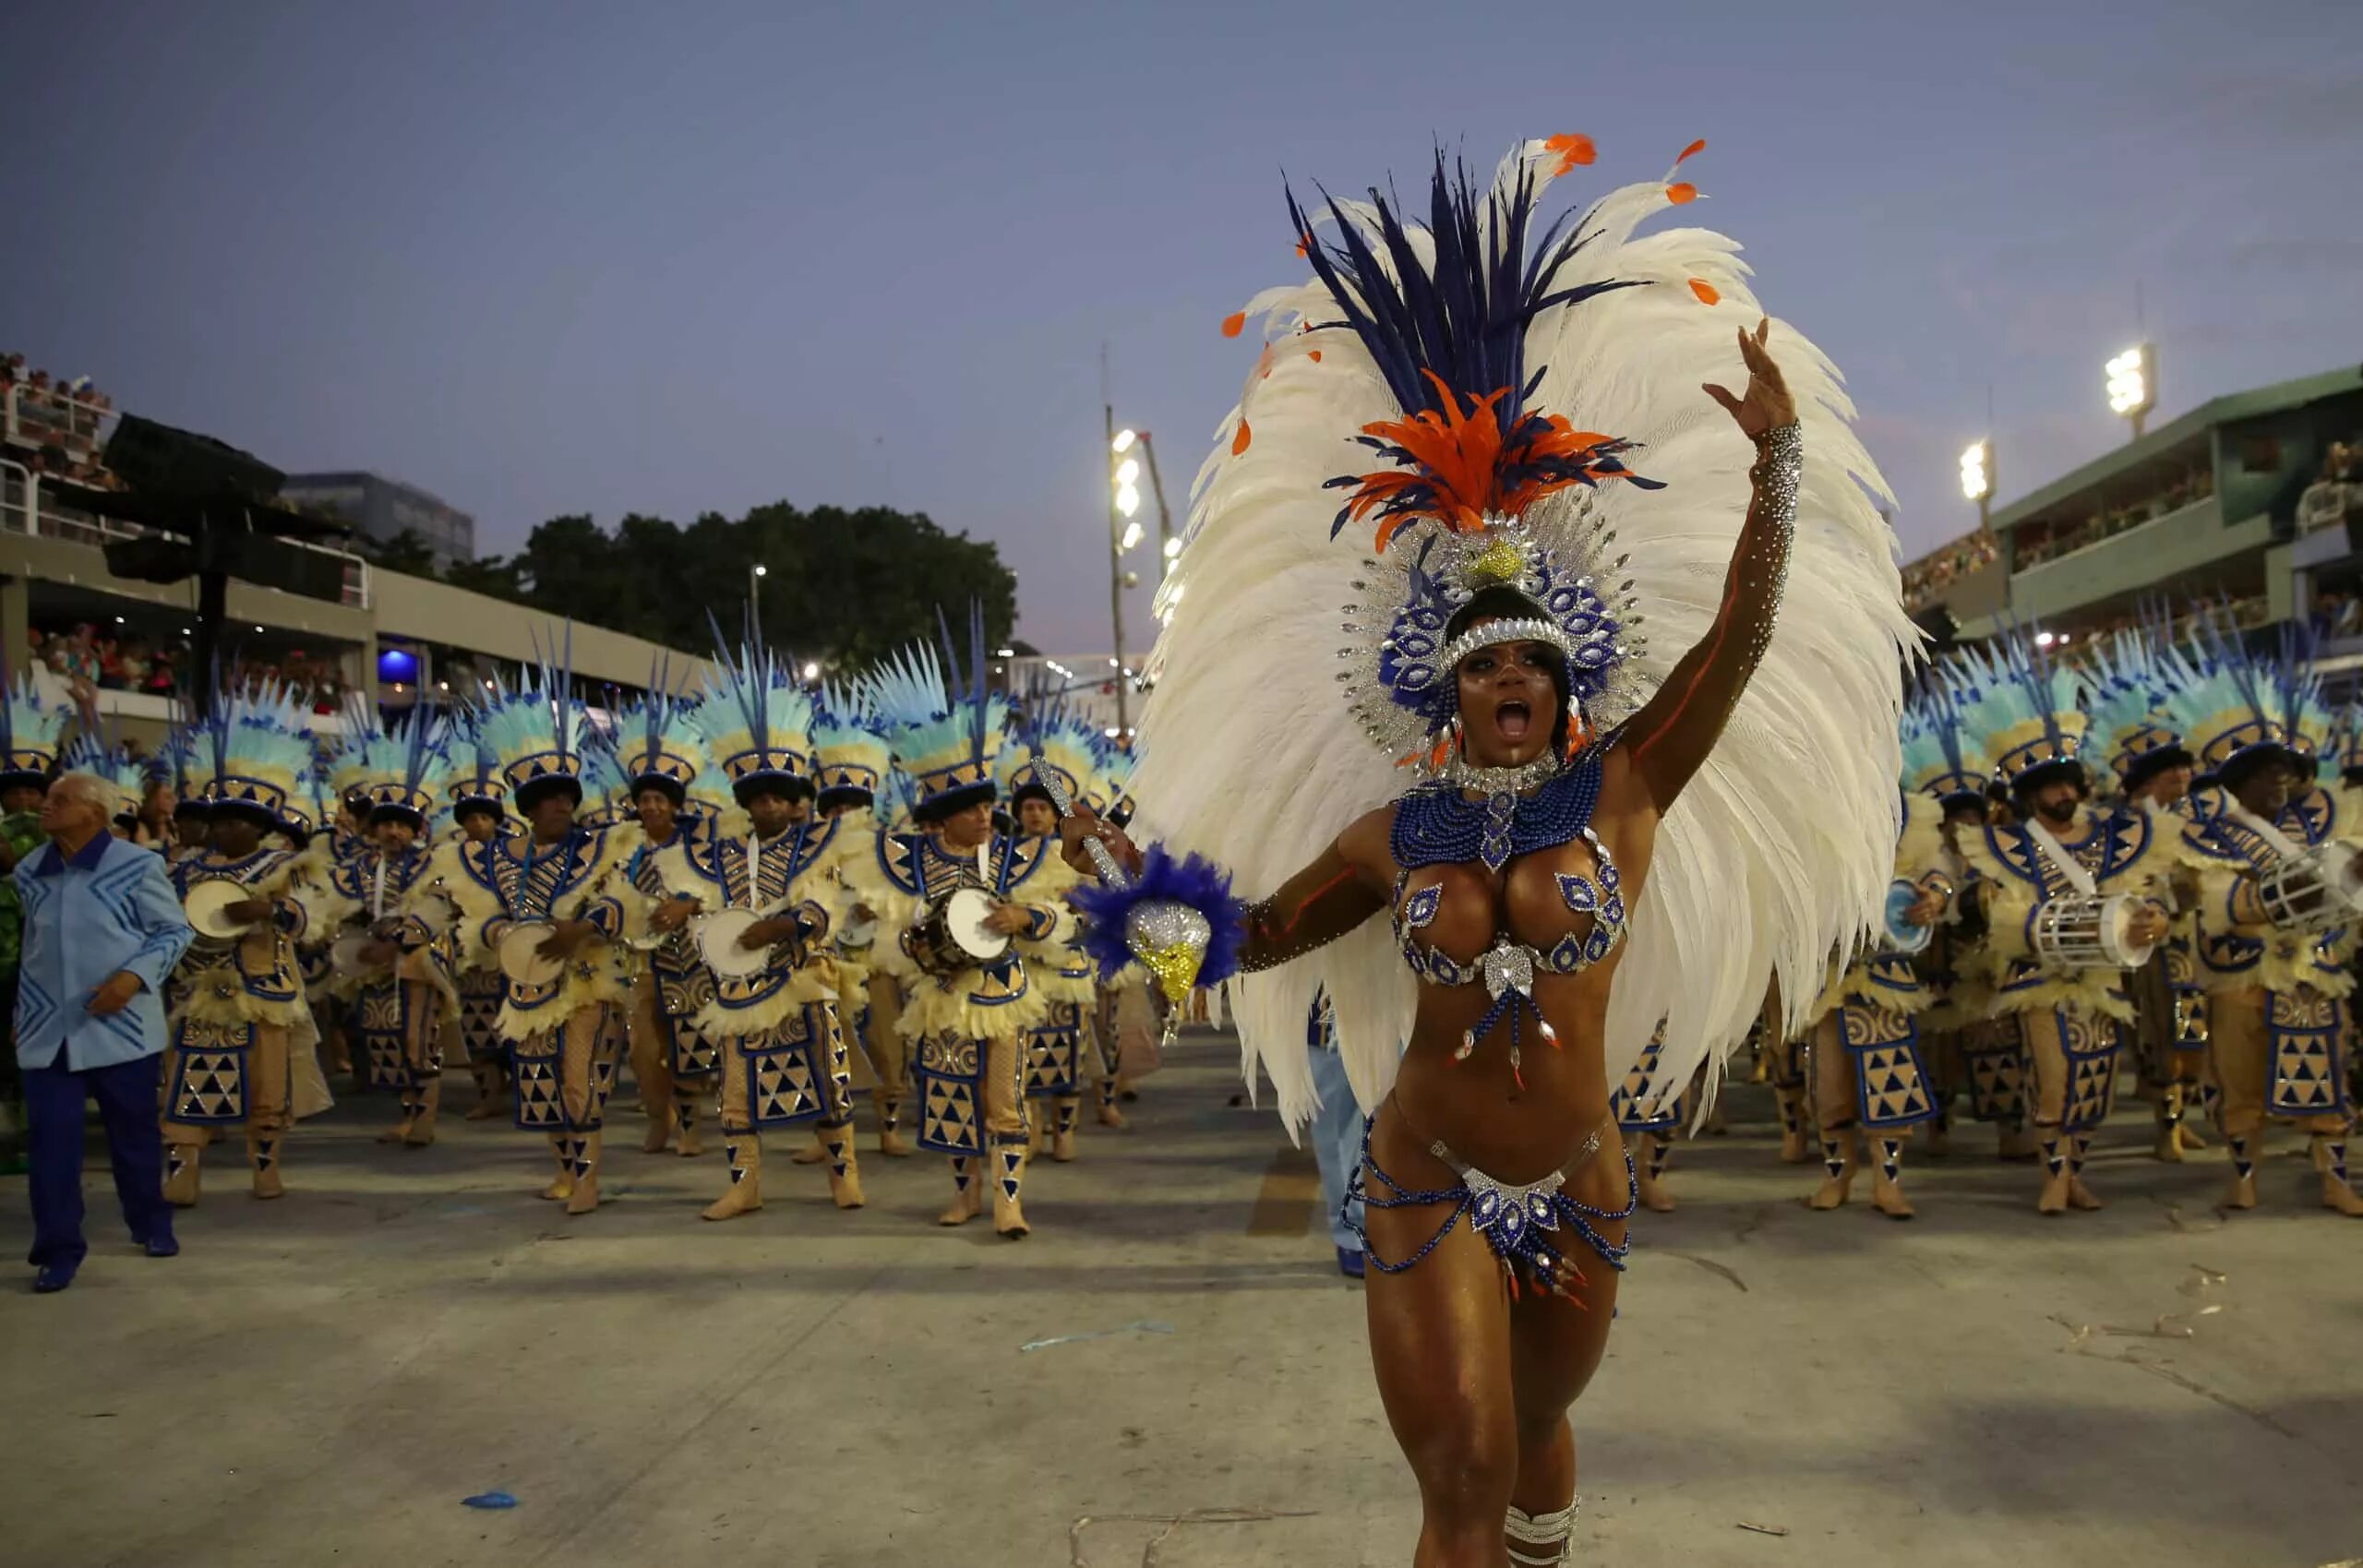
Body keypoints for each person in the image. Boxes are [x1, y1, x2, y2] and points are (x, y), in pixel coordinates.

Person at [1076, 138, 1913, 1563]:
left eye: (1529, 661)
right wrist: (1146, 911)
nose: (1506, 680)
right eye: (1480, 668)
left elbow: (1736, 643)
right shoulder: (1395, 829)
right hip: (1426, 1171)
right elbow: (1263, 934)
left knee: (1532, 1454)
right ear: (1444, 691)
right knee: (1459, 1475)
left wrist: (1776, 463)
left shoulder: (1629, 786)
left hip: (1581, 1168)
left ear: (1564, 682)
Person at [851, 615, 1078, 1239]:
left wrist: (1023, 915)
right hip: (944, 999)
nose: (986, 816)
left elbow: (1061, 917)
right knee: (950, 1101)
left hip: (1004, 997)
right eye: (973, 810)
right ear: (943, 819)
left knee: (1002, 1101)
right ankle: (966, 1195)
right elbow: (889, 930)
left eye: (987, 806)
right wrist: (917, 946)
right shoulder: (911, 863)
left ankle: (1009, 1201)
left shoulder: (1016, 854)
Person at [1953, 642, 2172, 1215]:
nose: (2065, 793)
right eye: (2052, 786)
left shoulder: (2113, 837)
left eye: (2069, 782)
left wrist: (2152, 920)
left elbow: (2141, 899)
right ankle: (2053, 1176)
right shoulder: (2006, 845)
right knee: (2055, 1079)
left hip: (2103, 979)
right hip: (2039, 979)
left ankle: (2075, 1171)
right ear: (2030, 795)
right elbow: (1995, 909)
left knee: (2096, 1080)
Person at [644, 649, 863, 1217]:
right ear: (745, 804)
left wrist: (784, 925)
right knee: (735, 1091)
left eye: (776, 797)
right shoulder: (720, 854)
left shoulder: (818, 844)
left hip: (800, 980)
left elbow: (822, 906)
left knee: (826, 1078)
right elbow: (707, 897)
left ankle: (844, 1178)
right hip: (738, 990)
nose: (767, 806)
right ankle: (745, 1186)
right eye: (757, 798)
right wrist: (681, 907)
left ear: (791, 803)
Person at [413, 670, 632, 1215]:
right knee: (543, 1086)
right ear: (530, 808)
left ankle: (588, 1181)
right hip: (528, 985)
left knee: (579, 1082)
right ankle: (563, 1171)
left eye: (566, 797)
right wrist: (508, 934)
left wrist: (582, 928)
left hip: (585, 983)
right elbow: (478, 917)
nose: (561, 805)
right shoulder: (491, 858)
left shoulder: (602, 847)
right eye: (550, 799)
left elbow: (624, 901)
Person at [2161, 642, 2363, 1215]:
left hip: (2312, 973)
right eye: (2268, 774)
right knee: (2240, 1080)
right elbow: (2221, 905)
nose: (2280, 783)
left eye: (2286, 773)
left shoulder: (2325, 818)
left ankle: (2334, 1178)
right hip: (2240, 975)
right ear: (2240, 781)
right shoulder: (2206, 836)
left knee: (2328, 1075)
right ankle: (2243, 1175)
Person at [16, 772, 194, 1292]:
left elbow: (174, 930)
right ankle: (57, 1249)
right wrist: (23, 1012)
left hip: (121, 1029)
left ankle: (151, 1222)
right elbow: (34, 949)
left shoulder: (137, 865)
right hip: (47, 1032)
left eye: (59, 800)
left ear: (95, 812)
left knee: (133, 1138)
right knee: (51, 1145)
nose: (45, 807)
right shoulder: (32, 871)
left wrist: (132, 978)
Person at [160, 681, 333, 1205]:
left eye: (235, 821)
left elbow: (314, 921)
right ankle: (182, 1171)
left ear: (258, 826)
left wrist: (268, 909)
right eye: (219, 821)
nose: (224, 830)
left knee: (267, 1087)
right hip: (197, 993)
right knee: (187, 1084)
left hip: (263, 991)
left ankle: (265, 1168)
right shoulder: (184, 868)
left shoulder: (286, 866)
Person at [320, 717, 453, 1146]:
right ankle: (407, 1112)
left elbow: (440, 907)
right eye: (386, 823)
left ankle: (426, 1116)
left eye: (403, 824)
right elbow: (336, 898)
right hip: (374, 965)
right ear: (373, 828)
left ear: (417, 830)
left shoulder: (433, 864)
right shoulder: (361, 867)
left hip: (417, 962)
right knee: (386, 1040)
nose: (394, 831)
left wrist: (396, 940)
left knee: (416, 1039)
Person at [605, 691, 723, 1159]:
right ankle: (659, 1118)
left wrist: (686, 903)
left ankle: (690, 1128)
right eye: (644, 799)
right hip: (638, 961)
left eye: (659, 799)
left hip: (687, 959)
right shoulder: (621, 847)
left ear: (674, 805)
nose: (651, 806)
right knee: (641, 1050)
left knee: (689, 1046)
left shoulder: (696, 845)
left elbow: (717, 888)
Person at [0, 671, 68, 1175]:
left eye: (32, 791)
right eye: (14, 792)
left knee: (31, 1053)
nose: (23, 800)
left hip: (36, 965)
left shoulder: (58, 843)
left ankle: (32, 1136)